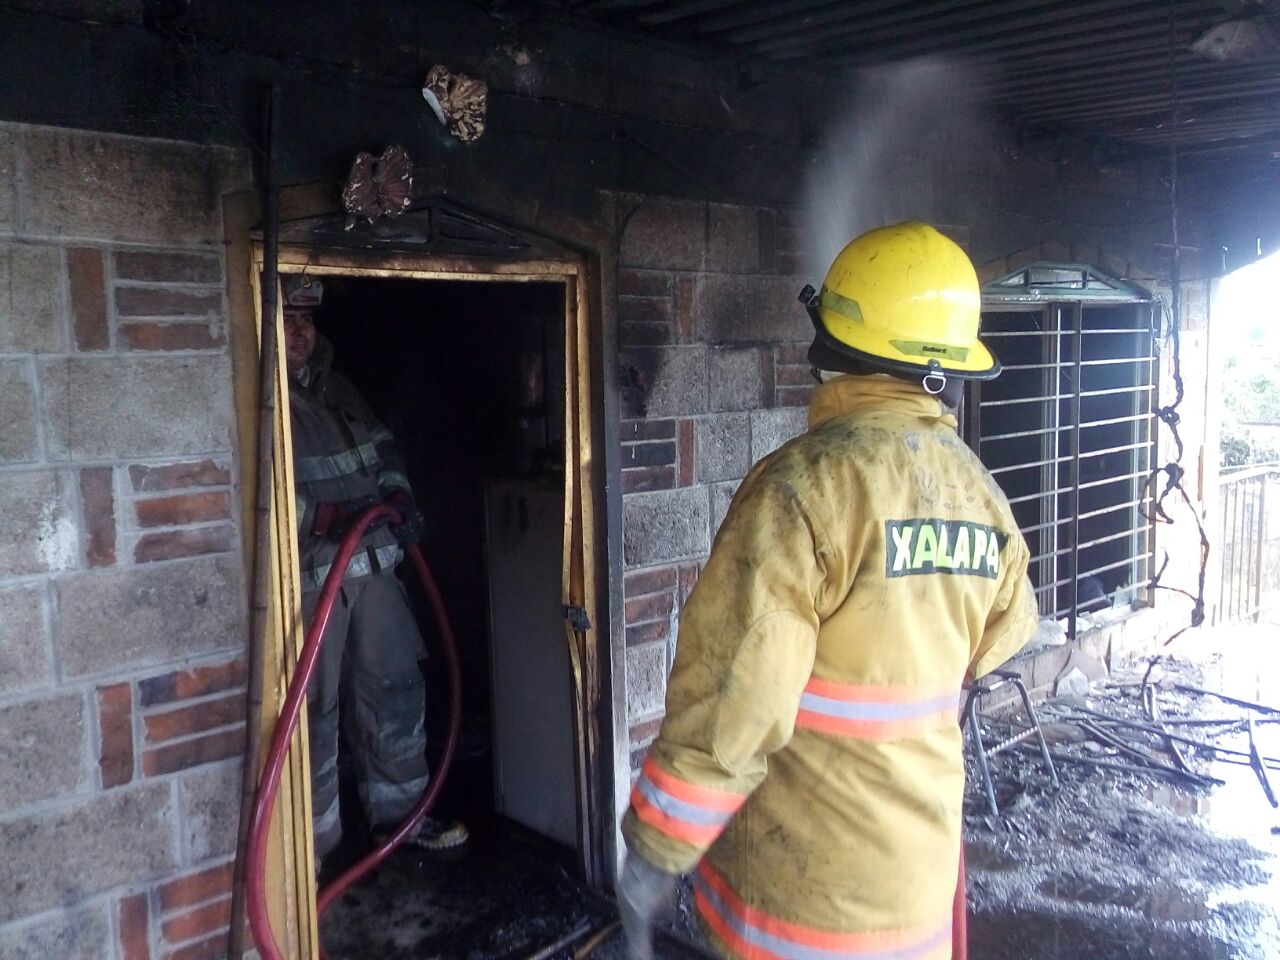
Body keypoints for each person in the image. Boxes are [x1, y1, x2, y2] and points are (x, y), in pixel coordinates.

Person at [617, 223, 1038, 960]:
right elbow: (1007, 634)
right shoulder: (981, 495)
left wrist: (657, 847)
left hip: (799, 909)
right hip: (916, 898)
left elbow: (735, 698)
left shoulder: (800, 491)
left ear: (836, 346)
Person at [282, 274, 468, 865]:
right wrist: (322, 516)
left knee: (394, 693)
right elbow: (254, 492)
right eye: (287, 320)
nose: (300, 332)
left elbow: (384, 451)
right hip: (312, 585)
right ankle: (310, 853)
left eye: (307, 321)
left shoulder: (337, 387)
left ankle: (401, 816)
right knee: (311, 714)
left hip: (376, 574)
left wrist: (400, 496)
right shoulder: (263, 397)